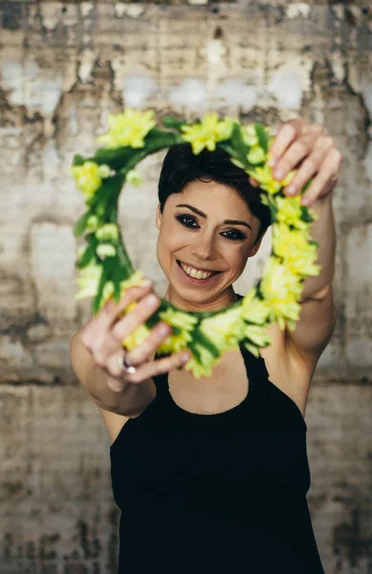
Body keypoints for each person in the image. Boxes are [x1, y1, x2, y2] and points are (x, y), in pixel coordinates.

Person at [69, 118, 342, 573]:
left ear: (255, 243)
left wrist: (314, 199)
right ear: (160, 214)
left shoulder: (277, 334)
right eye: (188, 220)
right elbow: (119, 391)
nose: (203, 250)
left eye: (232, 232)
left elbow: (312, 290)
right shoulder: (112, 339)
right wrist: (116, 374)